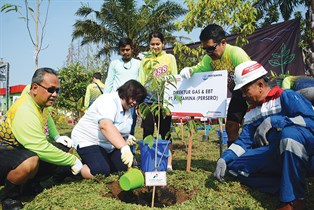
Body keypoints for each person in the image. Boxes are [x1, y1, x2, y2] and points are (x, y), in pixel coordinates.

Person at [214, 61, 314, 210]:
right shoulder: (251, 112)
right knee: (235, 166)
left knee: (289, 135)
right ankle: (283, 185)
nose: (243, 96)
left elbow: (311, 121)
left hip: (304, 154)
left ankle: (293, 200)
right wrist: (224, 158)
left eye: (245, 90)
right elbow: (243, 142)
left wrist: (276, 121)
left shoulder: (285, 96)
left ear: (260, 85)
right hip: (275, 154)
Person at [0, 68, 84, 210]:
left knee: (63, 148)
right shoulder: (25, 110)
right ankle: (10, 196)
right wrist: (73, 161)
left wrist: (57, 136)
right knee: (30, 161)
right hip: (5, 150)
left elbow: (47, 117)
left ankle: (28, 185)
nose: (55, 94)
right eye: (51, 90)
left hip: (22, 148)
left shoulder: (39, 99)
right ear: (35, 88)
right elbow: (40, 147)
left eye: (58, 90)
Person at [180, 24, 251, 146]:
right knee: (231, 126)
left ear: (223, 42)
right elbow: (200, 69)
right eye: (205, 49)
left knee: (252, 128)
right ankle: (233, 158)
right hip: (238, 95)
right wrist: (189, 71)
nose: (208, 53)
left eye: (211, 48)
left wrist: (253, 107)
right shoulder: (210, 59)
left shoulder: (236, 53)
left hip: (251, 94)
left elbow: (251, 79)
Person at [71, 80, 147, 178]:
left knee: (122, 166)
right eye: (133, 98)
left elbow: (119, 128)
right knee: (100, 171)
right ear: (126, 92)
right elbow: (105, 126)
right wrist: (123, 147)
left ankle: (97, 160)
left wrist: (127, 137)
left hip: (107, 144)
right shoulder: (108, 100)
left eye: (138, 100)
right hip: (89, 140)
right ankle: (75, 168)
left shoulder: (128, 110)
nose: (135, 103)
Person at [139, 31, 178, 171]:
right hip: (148, 101)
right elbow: (141, 81)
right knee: (148, 132)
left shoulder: (169, 58)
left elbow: (174, 79)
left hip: (164, 101)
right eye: (152, 44)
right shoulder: (145, 60)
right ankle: (148, 161)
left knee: (165, 132)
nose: (155, 47)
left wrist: (171, 104)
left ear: (163, 44)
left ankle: (168, 163)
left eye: (158, 44)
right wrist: (140, 102)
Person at [103, 38, 141, 162]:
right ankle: (114, 154)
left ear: (132, 50)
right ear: (119, 50)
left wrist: (138, 102)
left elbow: (140, 82)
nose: (125, 52)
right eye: (122, 50)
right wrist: (105, 99)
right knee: (114, 128)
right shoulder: (114, 63)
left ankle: (131, 155)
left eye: (127, 49)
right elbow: (109, 82)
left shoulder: (138, 63)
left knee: (130, 129)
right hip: (116, 101)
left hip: (132, 103)